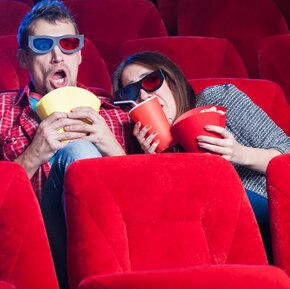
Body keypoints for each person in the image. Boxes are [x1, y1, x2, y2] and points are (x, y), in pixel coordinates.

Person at [0, 0, 133, 289]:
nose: (58, 56)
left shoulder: (114, 115)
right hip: (33, 240)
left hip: (110, 245)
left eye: (68, 44)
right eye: (43, 46)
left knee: (81, 150)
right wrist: (33, 155)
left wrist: (112, 150)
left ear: (80, 55)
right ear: (23, 58)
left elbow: (139, 204)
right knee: (78, 149)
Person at [112, 51, 290, 259]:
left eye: (151, 81)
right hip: (210, 247)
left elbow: (286, 154)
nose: (143, 96)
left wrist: (238, 153)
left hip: (268, 220)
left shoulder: (219, 99)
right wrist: (153, 162)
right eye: (130, 93)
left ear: (172, 79)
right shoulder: (140, 148)